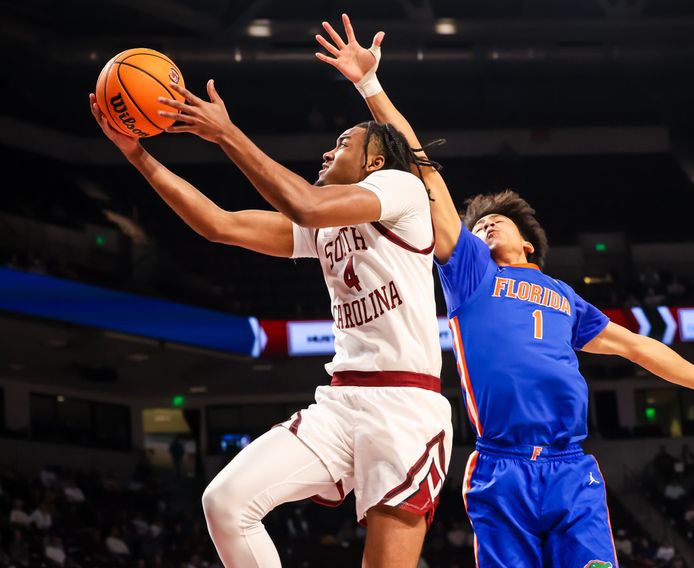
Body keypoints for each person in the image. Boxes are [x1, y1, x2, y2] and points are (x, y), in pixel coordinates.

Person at [315, 14, 694, 567]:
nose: (481, 227)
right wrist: (371, 87)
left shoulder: (564, 297)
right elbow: (426, 171)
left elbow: (636, 346)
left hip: (572, 468)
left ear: (528, 243)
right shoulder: (471, 271)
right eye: (476, 225)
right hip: (501, 467)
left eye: (494, 222)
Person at [89, 61, 453, 567]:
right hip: (342, 402)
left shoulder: (402, 190)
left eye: (344, 143)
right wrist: (139, 156)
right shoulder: (323, 225)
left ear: (374, 163)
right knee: (225, 503)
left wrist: (226, 133)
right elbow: (220, 225)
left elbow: (303, 204)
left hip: (405, 407)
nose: (328, 150)